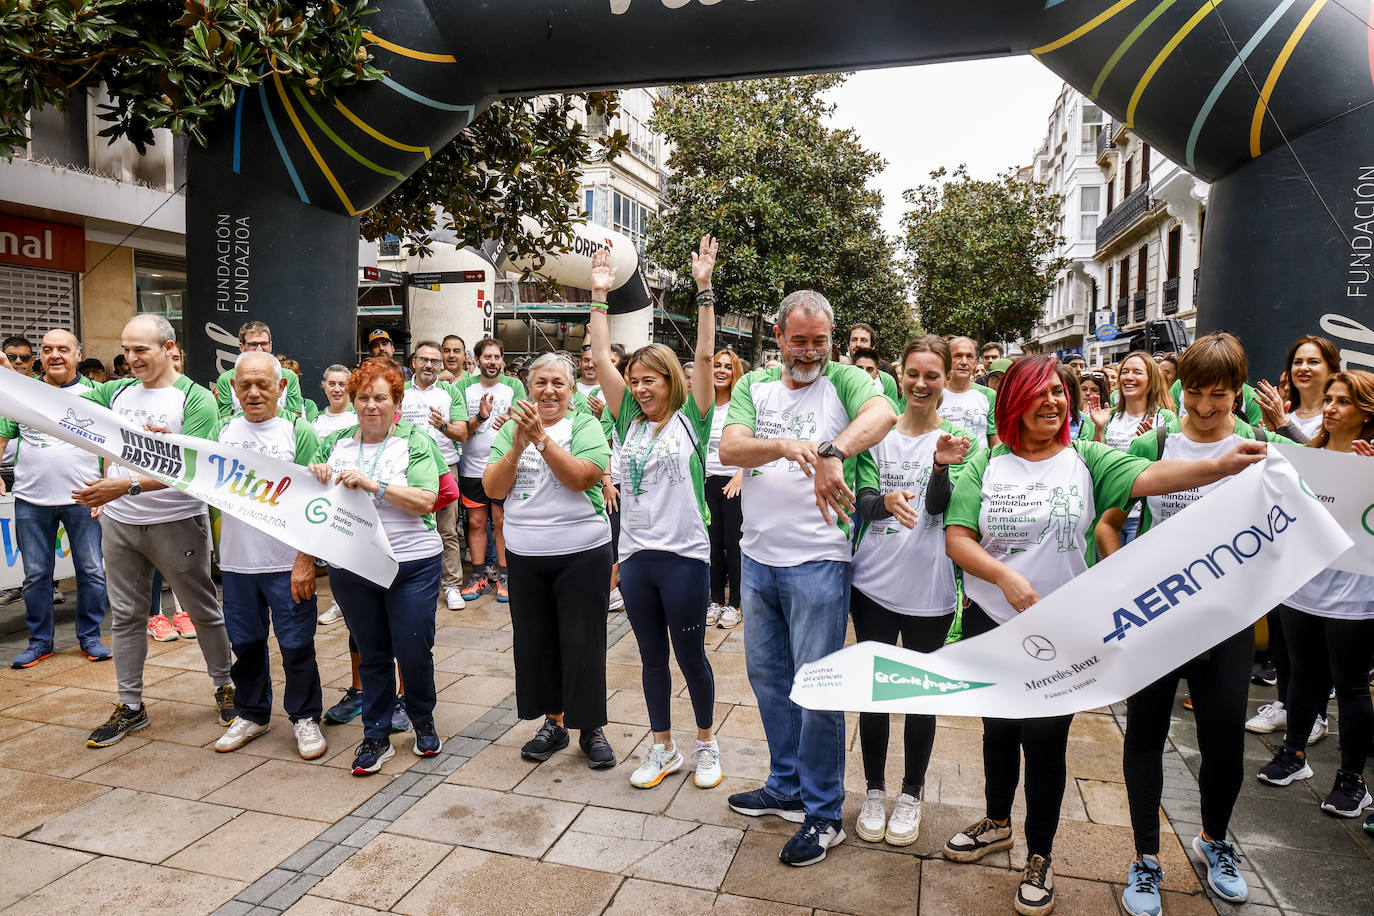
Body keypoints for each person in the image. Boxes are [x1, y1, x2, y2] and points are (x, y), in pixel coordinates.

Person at [941, 353, 1266, 916]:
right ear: (1013, 402)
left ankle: (1040, 854)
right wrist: (1005, 577)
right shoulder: (987, 463)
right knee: (997, 731)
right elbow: (958, 537)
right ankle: (997, 822)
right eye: (1039, 394)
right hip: (992, 623)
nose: (1053, 402)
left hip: (1064, 632)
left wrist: (1220, 466)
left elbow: (1151, 477)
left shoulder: (1086, 458)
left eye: (1059, 394)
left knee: (1045, 743)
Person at [1096, 334, 1281, 915]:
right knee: (1145, 739)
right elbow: (1109, 523)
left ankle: (1214, 841)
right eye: (1195, 393)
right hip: (1157, 619)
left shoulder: (1263, 445)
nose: (1204, 408)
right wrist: (1123, 579)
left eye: (1219, 397)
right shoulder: (1156, 442)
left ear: (1239, 394)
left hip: (1227, 624)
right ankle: (1146, 860)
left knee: (1225, 743)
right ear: (1180, 388)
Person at [719, 289, 896, 867]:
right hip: (758, 558)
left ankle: (823, 813)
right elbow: (731, 446)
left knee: (817, 689)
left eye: (820, 341)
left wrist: (831, 451)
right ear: (779, 338)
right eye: (800, 340)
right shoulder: (754, 386)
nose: (811, 352)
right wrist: (786, 445)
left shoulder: (845, 380)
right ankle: (786, 784)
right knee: (769, 678)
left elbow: (883, 413)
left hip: (819, 560)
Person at [590, 238, 724, 790]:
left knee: (690, 656)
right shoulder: (627, 422)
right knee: (649, 659)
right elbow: (600, 358)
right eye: (636, 380)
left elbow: (703, 356)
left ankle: (706, 743)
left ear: (672, 382)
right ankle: (662, 747)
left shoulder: (693, 418)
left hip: (685, 555)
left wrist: (703, 290)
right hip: (638, 556)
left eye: (652, 379)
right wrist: (598, 294)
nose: (642, 387)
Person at [76, 315, 235, 746]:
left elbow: (195, 470)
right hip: (121, 524)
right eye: (126, 350)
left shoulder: (196, 399)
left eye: (140, 350)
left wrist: (121, 485)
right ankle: (130, 706)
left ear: (168, 348)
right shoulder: (116, 390)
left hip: (177, 521)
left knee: (203, 611)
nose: (130, 359)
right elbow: (79, 420)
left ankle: (226, 686)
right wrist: (103, 488)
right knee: (127, 616)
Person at [851, 336, 976, 847]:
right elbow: (860, 500)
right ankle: (875, 790)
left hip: (930, 591)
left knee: (921, 697)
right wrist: (883, 502)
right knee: (876, 694)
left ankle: (911, 794)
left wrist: (941, 466)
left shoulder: (962, 441)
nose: (921, 384)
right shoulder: (877, 433)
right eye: (913, 374)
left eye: (932, 375)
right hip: (873, 585)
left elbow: (945, 509)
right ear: (899, 375)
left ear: (946, 379)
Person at [482, 353, 616, 768]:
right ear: (528, 386)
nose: (549, 391)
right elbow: (493, 488)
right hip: (526, 554)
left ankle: (590, 726)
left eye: (558, 383)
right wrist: (518, 445)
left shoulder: (585, 425)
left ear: (572, 390)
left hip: (582, 552)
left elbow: (581, 478)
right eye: (541, 382)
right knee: (537, 643)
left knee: (582, 641)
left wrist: (542, 440)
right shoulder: (511, 431)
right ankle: (553, 723)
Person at [312, 359, 444, 772]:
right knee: (371, 653)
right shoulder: (335, 442)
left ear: (396, 402)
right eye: (363, 397)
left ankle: (422, 719)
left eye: (380, 398)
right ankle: (376, 733)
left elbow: (427, 499)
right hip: (353, 564)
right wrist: (315, 474)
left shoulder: (416, 441)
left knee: (413, 647)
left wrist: (375, 485)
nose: (371, 406)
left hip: (413, 563)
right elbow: (305, 493)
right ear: (352, 400)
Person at [1255, 371, 1374, 819]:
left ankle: (1353, 781)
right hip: (1304, 589)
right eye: (1329, 399)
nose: (1330, 408)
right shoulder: (1308, 455)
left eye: (1343, 402)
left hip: (1356, 597)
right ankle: (1294, 755)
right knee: (1302, 677)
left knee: (1350, 687)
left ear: (1366, 414)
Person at [210, 352, 327, 759]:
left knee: (297, 646)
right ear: (233, 389)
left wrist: (305, 559)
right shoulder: (221, 432)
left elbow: (319, 501)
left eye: (263, 384)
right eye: (245, 385)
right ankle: (253, 713)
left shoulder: (299, 431)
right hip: (237, 564)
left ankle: (305, 717)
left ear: (281, 387)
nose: (254, 392)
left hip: (286, 563)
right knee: (245, 643)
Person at [0, 330, 110, 667]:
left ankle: (90, 638)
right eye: (47, 349)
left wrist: (108, 487)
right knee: (35, 575)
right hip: (31, 500)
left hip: (84, 498)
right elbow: (3, 434)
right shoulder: (23, 394)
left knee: (91, 571)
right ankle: (39, 643)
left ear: (78, 355)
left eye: (63, 349)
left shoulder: (96, 395)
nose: (55, 355)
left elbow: (112, 446)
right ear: (39, 358)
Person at [451, 338, 526, 603]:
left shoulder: (515, 385)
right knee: (475, 522)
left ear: (502, 360)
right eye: (487, 357)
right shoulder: (463, 386)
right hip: (472, 467)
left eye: (497, 357)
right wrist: (481, 417)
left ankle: (506, 578)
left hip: (504, 466)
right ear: (477, 359)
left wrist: (511, 422)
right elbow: (460, 431)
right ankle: (479, 577)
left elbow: (523, 424)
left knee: (502, 522)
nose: (492, 362)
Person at [1083, 350, 1177, 544]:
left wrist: (1150, 446)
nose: (1129, 377)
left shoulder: (1165, 418)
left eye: (1137, 372)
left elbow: (1170, 468)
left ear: (1151, 380)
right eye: (1125, 372)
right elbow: (1097, 467)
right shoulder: (1107, 416)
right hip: (1106, 512)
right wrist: (1099, 430)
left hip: (1141, 516)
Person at [402, 341, 467, 611]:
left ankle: (452, 586)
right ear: (414, 361)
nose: (429, 365)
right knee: (408, 528)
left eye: (435, 361)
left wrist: (441, 425)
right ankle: (408, 583)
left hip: (444, 469)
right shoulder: (400, 391)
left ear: (441, 365)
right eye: (424, 359)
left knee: (447, 530)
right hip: (405, 469)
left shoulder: (451, 392)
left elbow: (462, 433)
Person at [704, 348, 745, 628]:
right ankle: (716, 599)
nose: (721, 370)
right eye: (717, 365)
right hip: (707, 481)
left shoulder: (740, 405)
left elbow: (752, 442)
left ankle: (735, 604)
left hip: (735, 482)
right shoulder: (703, 406)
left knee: (734, 545)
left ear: (735, 373)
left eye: (727, 367)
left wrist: (741, 474)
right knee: (712, 545)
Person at [213, 321, 305, 418]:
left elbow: (295, 417)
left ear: (270, 345)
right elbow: (225, 420)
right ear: (241, 347)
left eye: (264, 344)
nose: (259, 349)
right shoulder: (225, 379)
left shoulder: (289, 376)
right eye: (253, 344)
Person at [940, 337, 999, 449]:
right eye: (958, 356)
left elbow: (995, 439)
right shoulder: (934, 393)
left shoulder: (989, 395)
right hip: (940, 465)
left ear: (975, 362)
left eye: (969, 356)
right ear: (947, 360)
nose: (964, 362)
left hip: (979, 466)